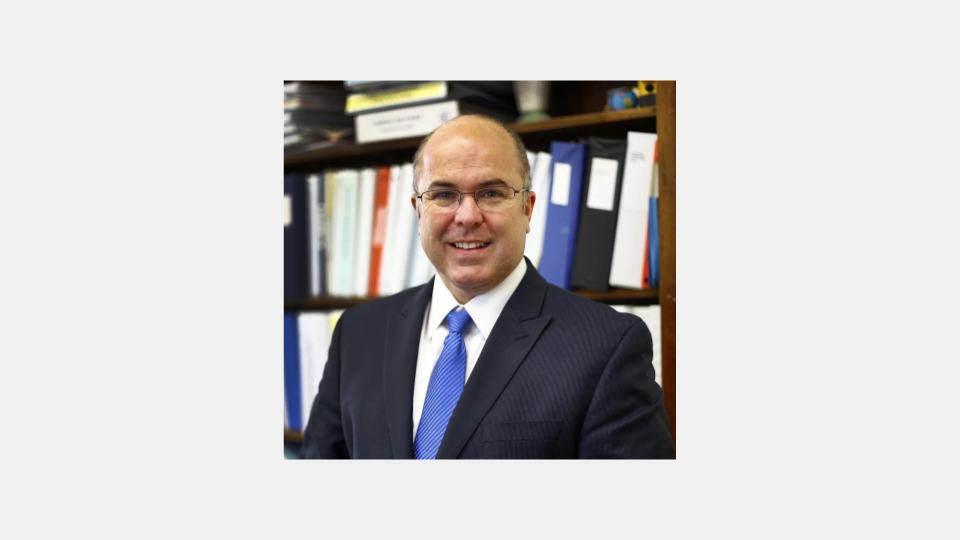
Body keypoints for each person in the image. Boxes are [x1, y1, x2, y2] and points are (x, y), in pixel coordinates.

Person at [299, 115, 675, 459]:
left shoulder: (607, 347)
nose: (467, 216)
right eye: (443, 195)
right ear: (418, 210)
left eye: (491, 193)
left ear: (527, 209)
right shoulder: (358, 332)